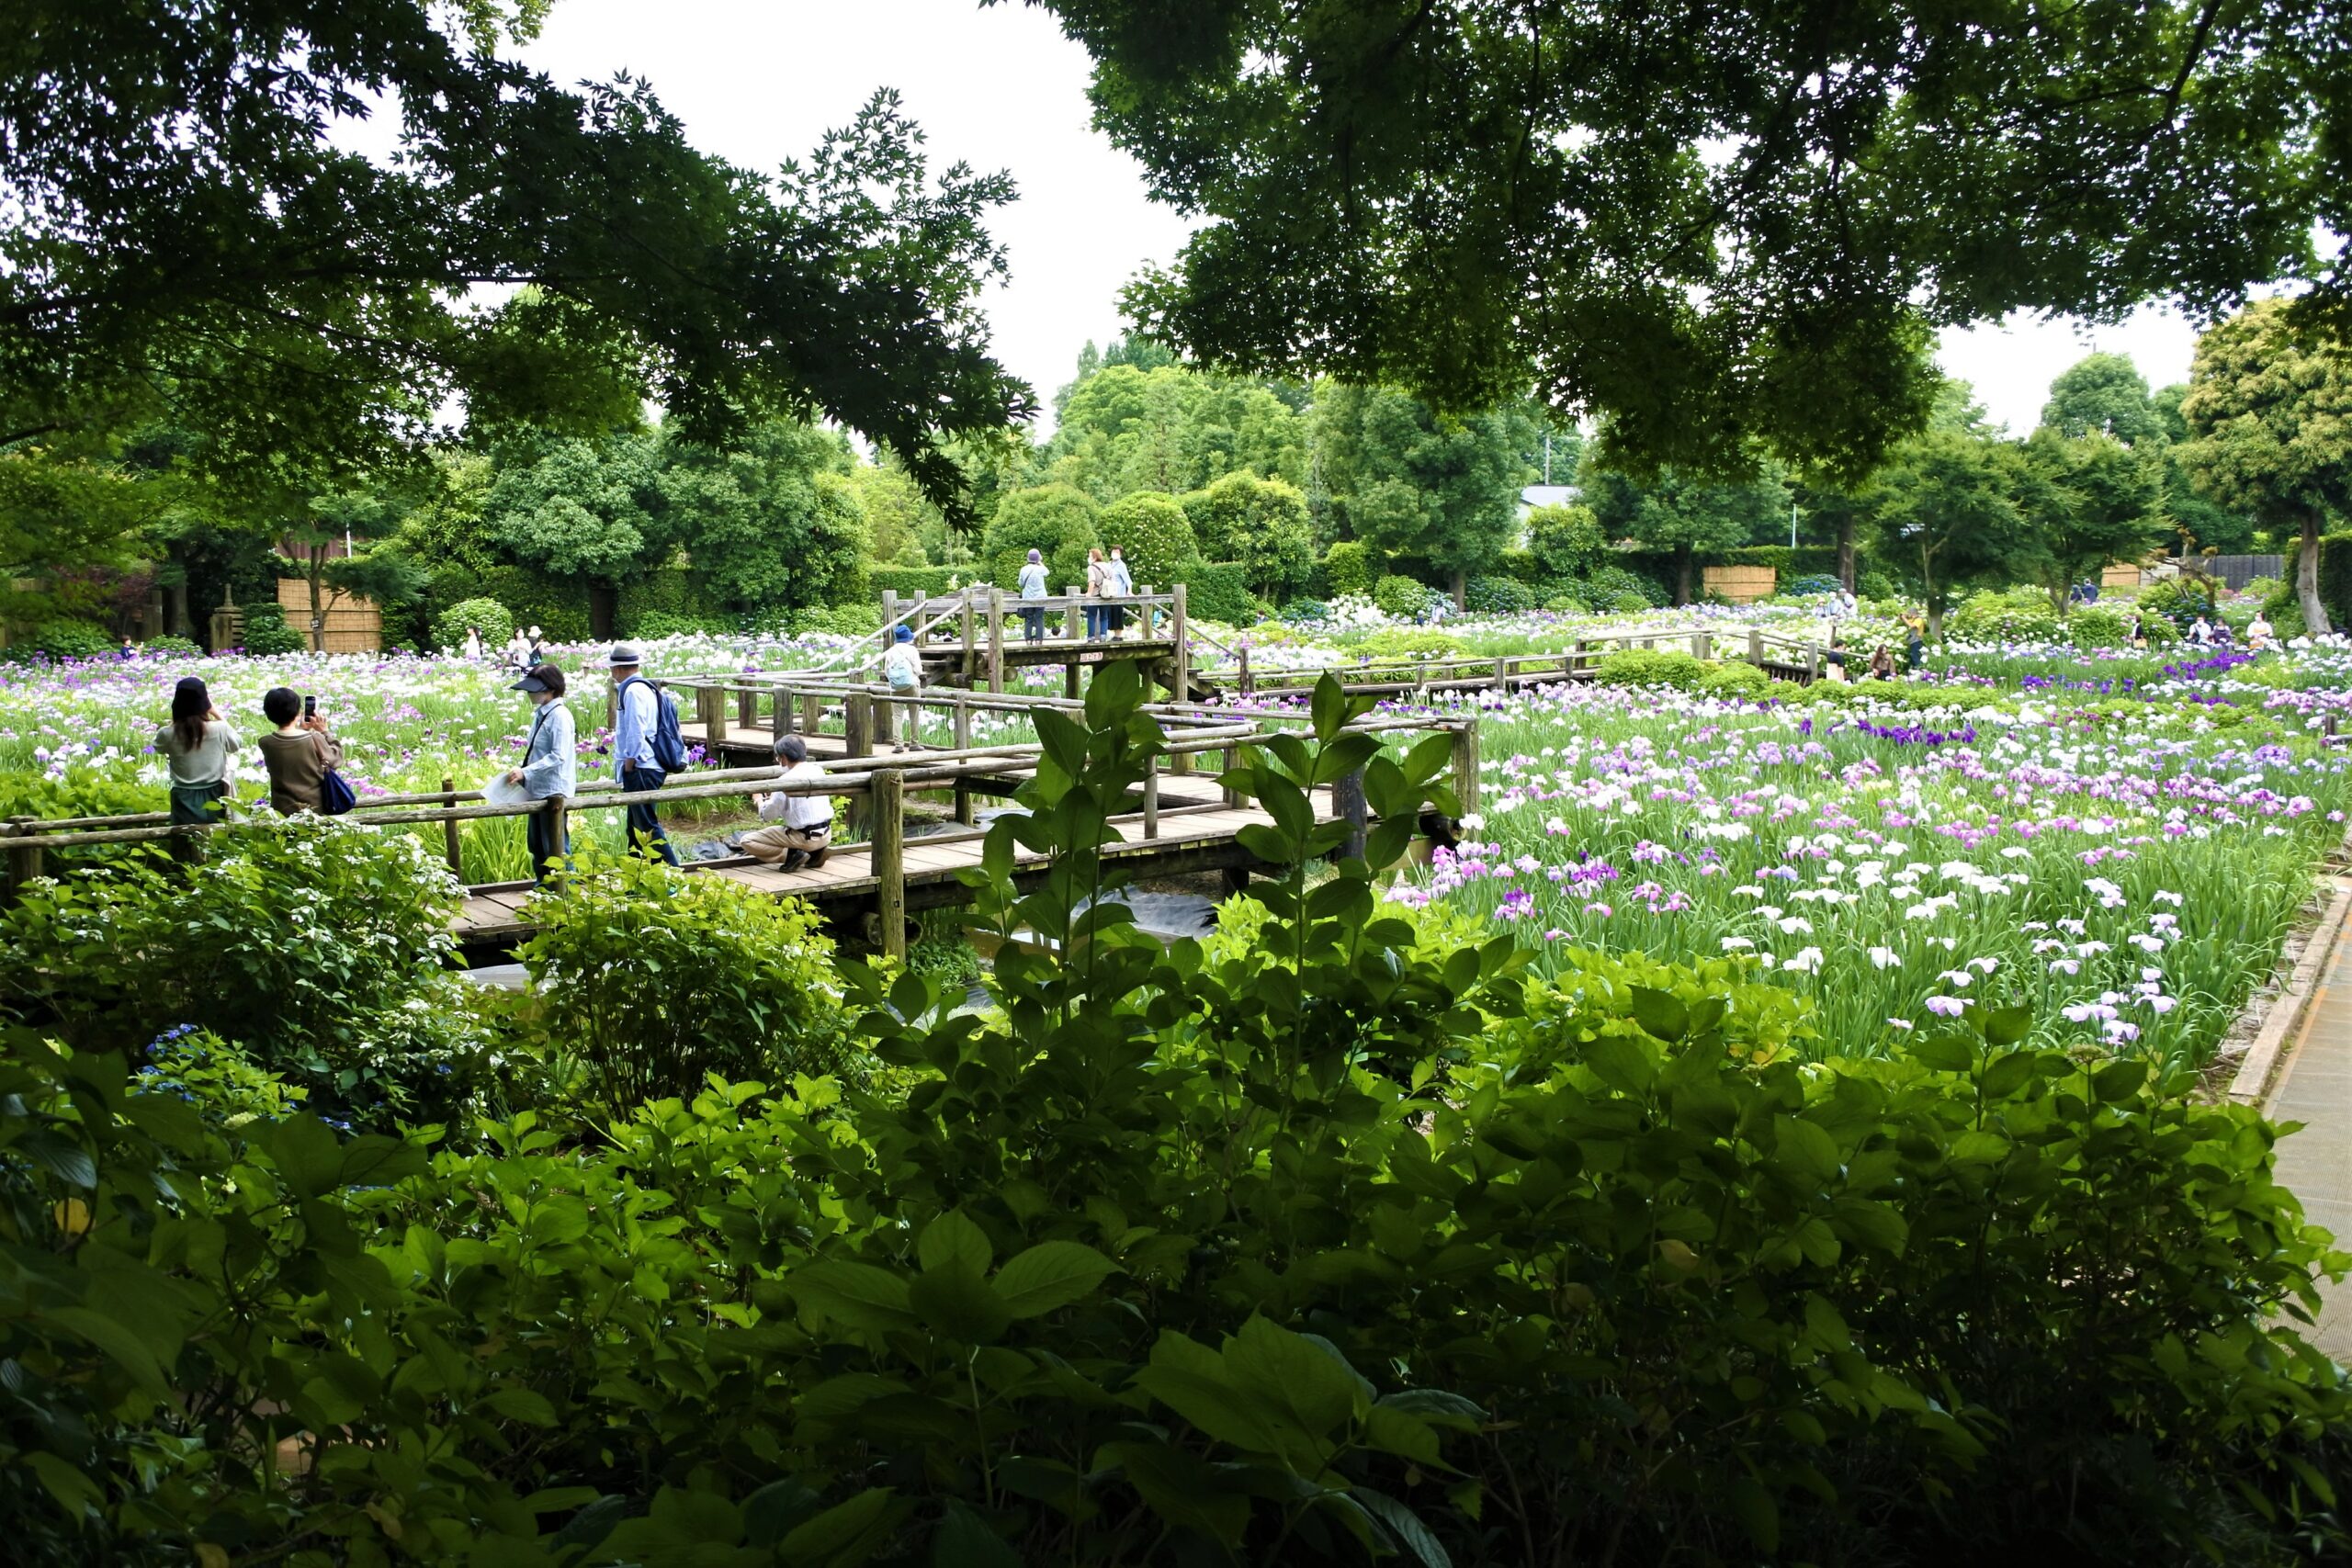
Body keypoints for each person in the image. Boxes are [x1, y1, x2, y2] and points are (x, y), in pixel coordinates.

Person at [607, 643, 681, 865]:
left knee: (647, 826)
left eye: (612, 669)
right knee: (635, 827)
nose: (611, 673)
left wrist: (630, 762)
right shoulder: (646, 687)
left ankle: (672, 875)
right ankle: (637, 879)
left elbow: (635, 729)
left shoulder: (632, 691)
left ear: (619, 669)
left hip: (643, 766)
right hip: (649, 764)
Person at [503, 664, 575, 885]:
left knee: (554, 846)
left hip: (552, 791)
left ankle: (566, 894)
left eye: (535, 689)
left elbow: (558, 756)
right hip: (537, 788)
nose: (530, 693)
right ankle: (544, 889)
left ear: (551, 689)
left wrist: (525, 772)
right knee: (537, 845)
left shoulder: (559, 716)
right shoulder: (542, 714)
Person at [154, 676, 241, 856]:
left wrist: (174, 722)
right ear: (205, 703)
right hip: (215, 794)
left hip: (183, 795)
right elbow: (236, 744)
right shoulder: (219, 729)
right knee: (216, 844)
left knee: (184, 845)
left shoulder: (167, 733)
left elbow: (158, 748)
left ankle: (183, 879)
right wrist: (218, 714)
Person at [739, 733, 832, 870]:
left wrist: (759, 800)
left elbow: (768, 815)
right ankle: (814, 853)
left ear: (783, 758)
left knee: (747, 841)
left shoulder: (785, 780)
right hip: (825, 834)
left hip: (803, 838)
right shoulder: (818, 770)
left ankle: (794, 855)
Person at [254, 686, 344, 815]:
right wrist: (324, 731)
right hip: (314, 810)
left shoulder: (266, 742)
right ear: (298, 712)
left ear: (268, 714)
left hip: (283, 811)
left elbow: (293, 747)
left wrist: (303, 730)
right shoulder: (315, 739)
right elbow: (336, 760)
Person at [882, 624, 922, 752]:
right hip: (912, 685)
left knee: (897, 716)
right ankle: (914, 743)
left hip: (895, 688)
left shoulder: (890, 651)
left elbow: (887, 671)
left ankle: (898, 744)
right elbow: (918, 670)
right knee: (914, 714)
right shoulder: (912, 650)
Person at [1017, 548, 1049, 640]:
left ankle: (1028, 640)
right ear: (1038, 558)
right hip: (1040, 597)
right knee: (1039, 618)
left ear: (1028, 558)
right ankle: (1039, 640)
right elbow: (1047, 572)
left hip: (1028, 598)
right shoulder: (1040, 569)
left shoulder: (1023, 569)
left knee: (1029, 618)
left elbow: (1020, 584)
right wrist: (1040, 562)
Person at [1104, 545, 1135, 639]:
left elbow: (1128, 580)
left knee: (1118, 614)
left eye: (1117, 552)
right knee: (1111, 614)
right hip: (1109, 593)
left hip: (1118, 594)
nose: (1115, 554)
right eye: (1114, 551)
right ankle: (1114, 634)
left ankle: (1119, 635)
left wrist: (1129, 591)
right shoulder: (1109, 564)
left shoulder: (1121, 565)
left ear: (1121, 554)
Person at [1083, 547, 1108, 639]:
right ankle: (1103, 636)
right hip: (1106, 594)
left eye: (1090, 556)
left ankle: (1091, 637)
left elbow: (1092, 581)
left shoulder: (1091, 567)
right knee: (1104, 616)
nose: (1088, 558)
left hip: (1094, 594)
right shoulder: (1107, 565)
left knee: (1091, 616)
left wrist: (1089, 593)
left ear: (1094, 557)